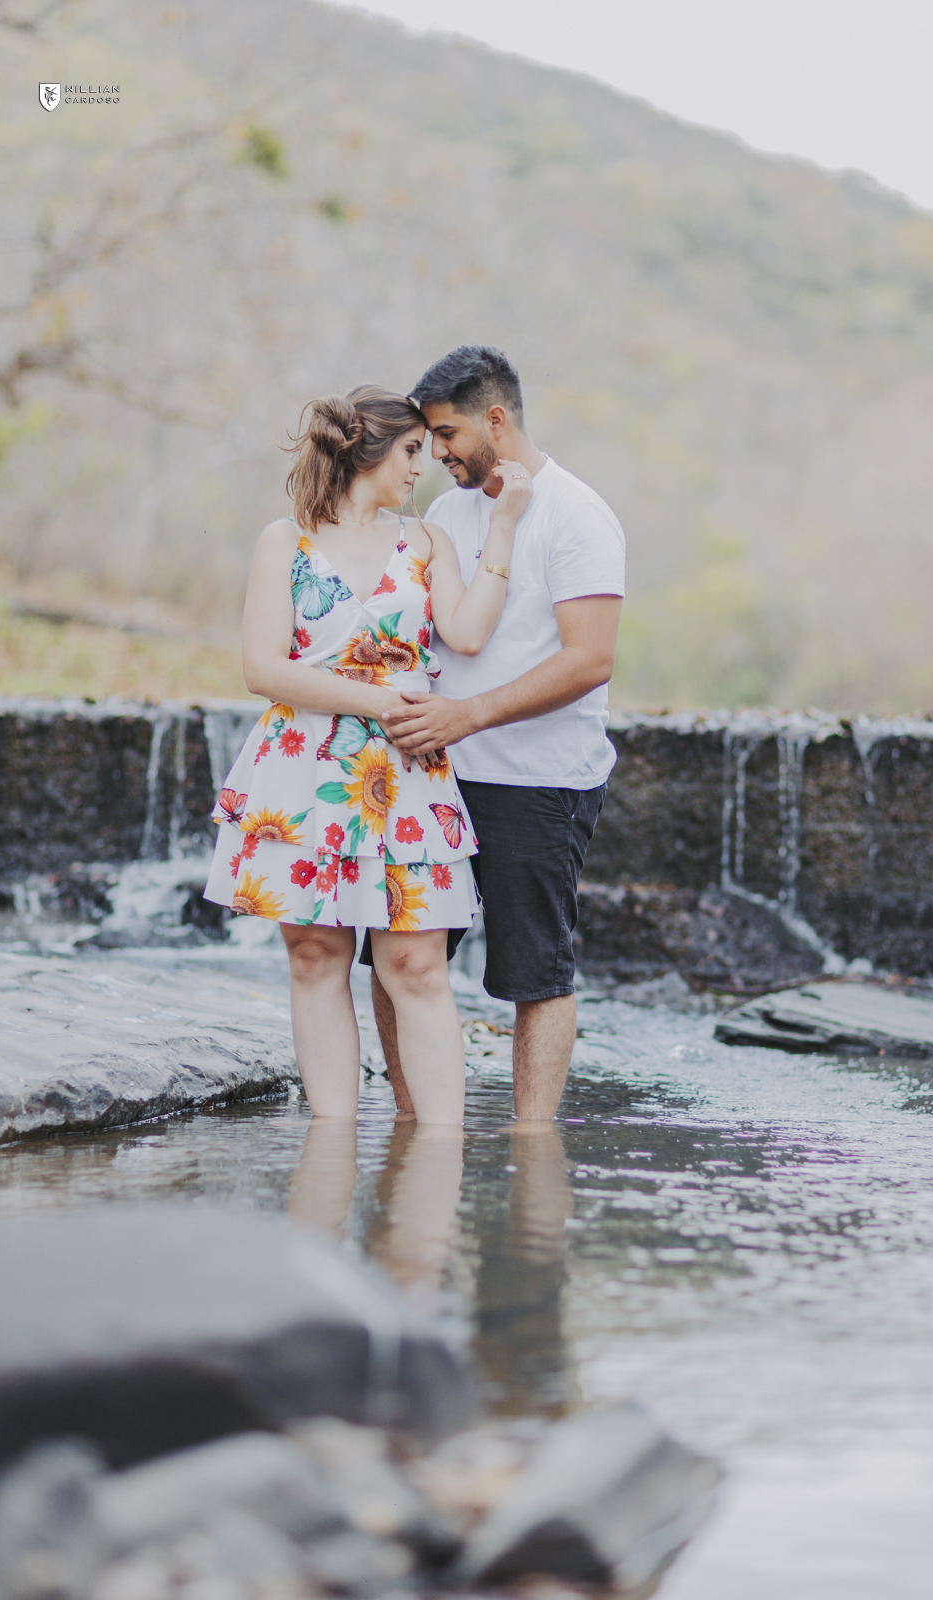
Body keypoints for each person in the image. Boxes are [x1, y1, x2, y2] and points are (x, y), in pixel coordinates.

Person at [202, 384, 532, 1125]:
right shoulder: (282, 541)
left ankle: (438, 1157)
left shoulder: (424, 543)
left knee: (415, 964)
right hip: (303, 766)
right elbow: (263, 669)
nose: (423, 465)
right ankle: (333, 1147)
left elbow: (469, 632)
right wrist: (381, 702)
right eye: (412, 450)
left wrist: (503, 527)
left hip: (406, 776)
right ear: (368, 451)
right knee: (316, 958)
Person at [371, 347, 625, 1123]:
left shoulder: (577, 514)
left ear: (495, 419)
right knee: (400, 956)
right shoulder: (446, 513)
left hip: (538, 781)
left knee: (534, 971)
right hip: (433, 776)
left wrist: (469, 716)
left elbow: (588, 660)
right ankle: (413, 1124)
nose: (435, 452)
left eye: (445, 434)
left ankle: (532, 1143)